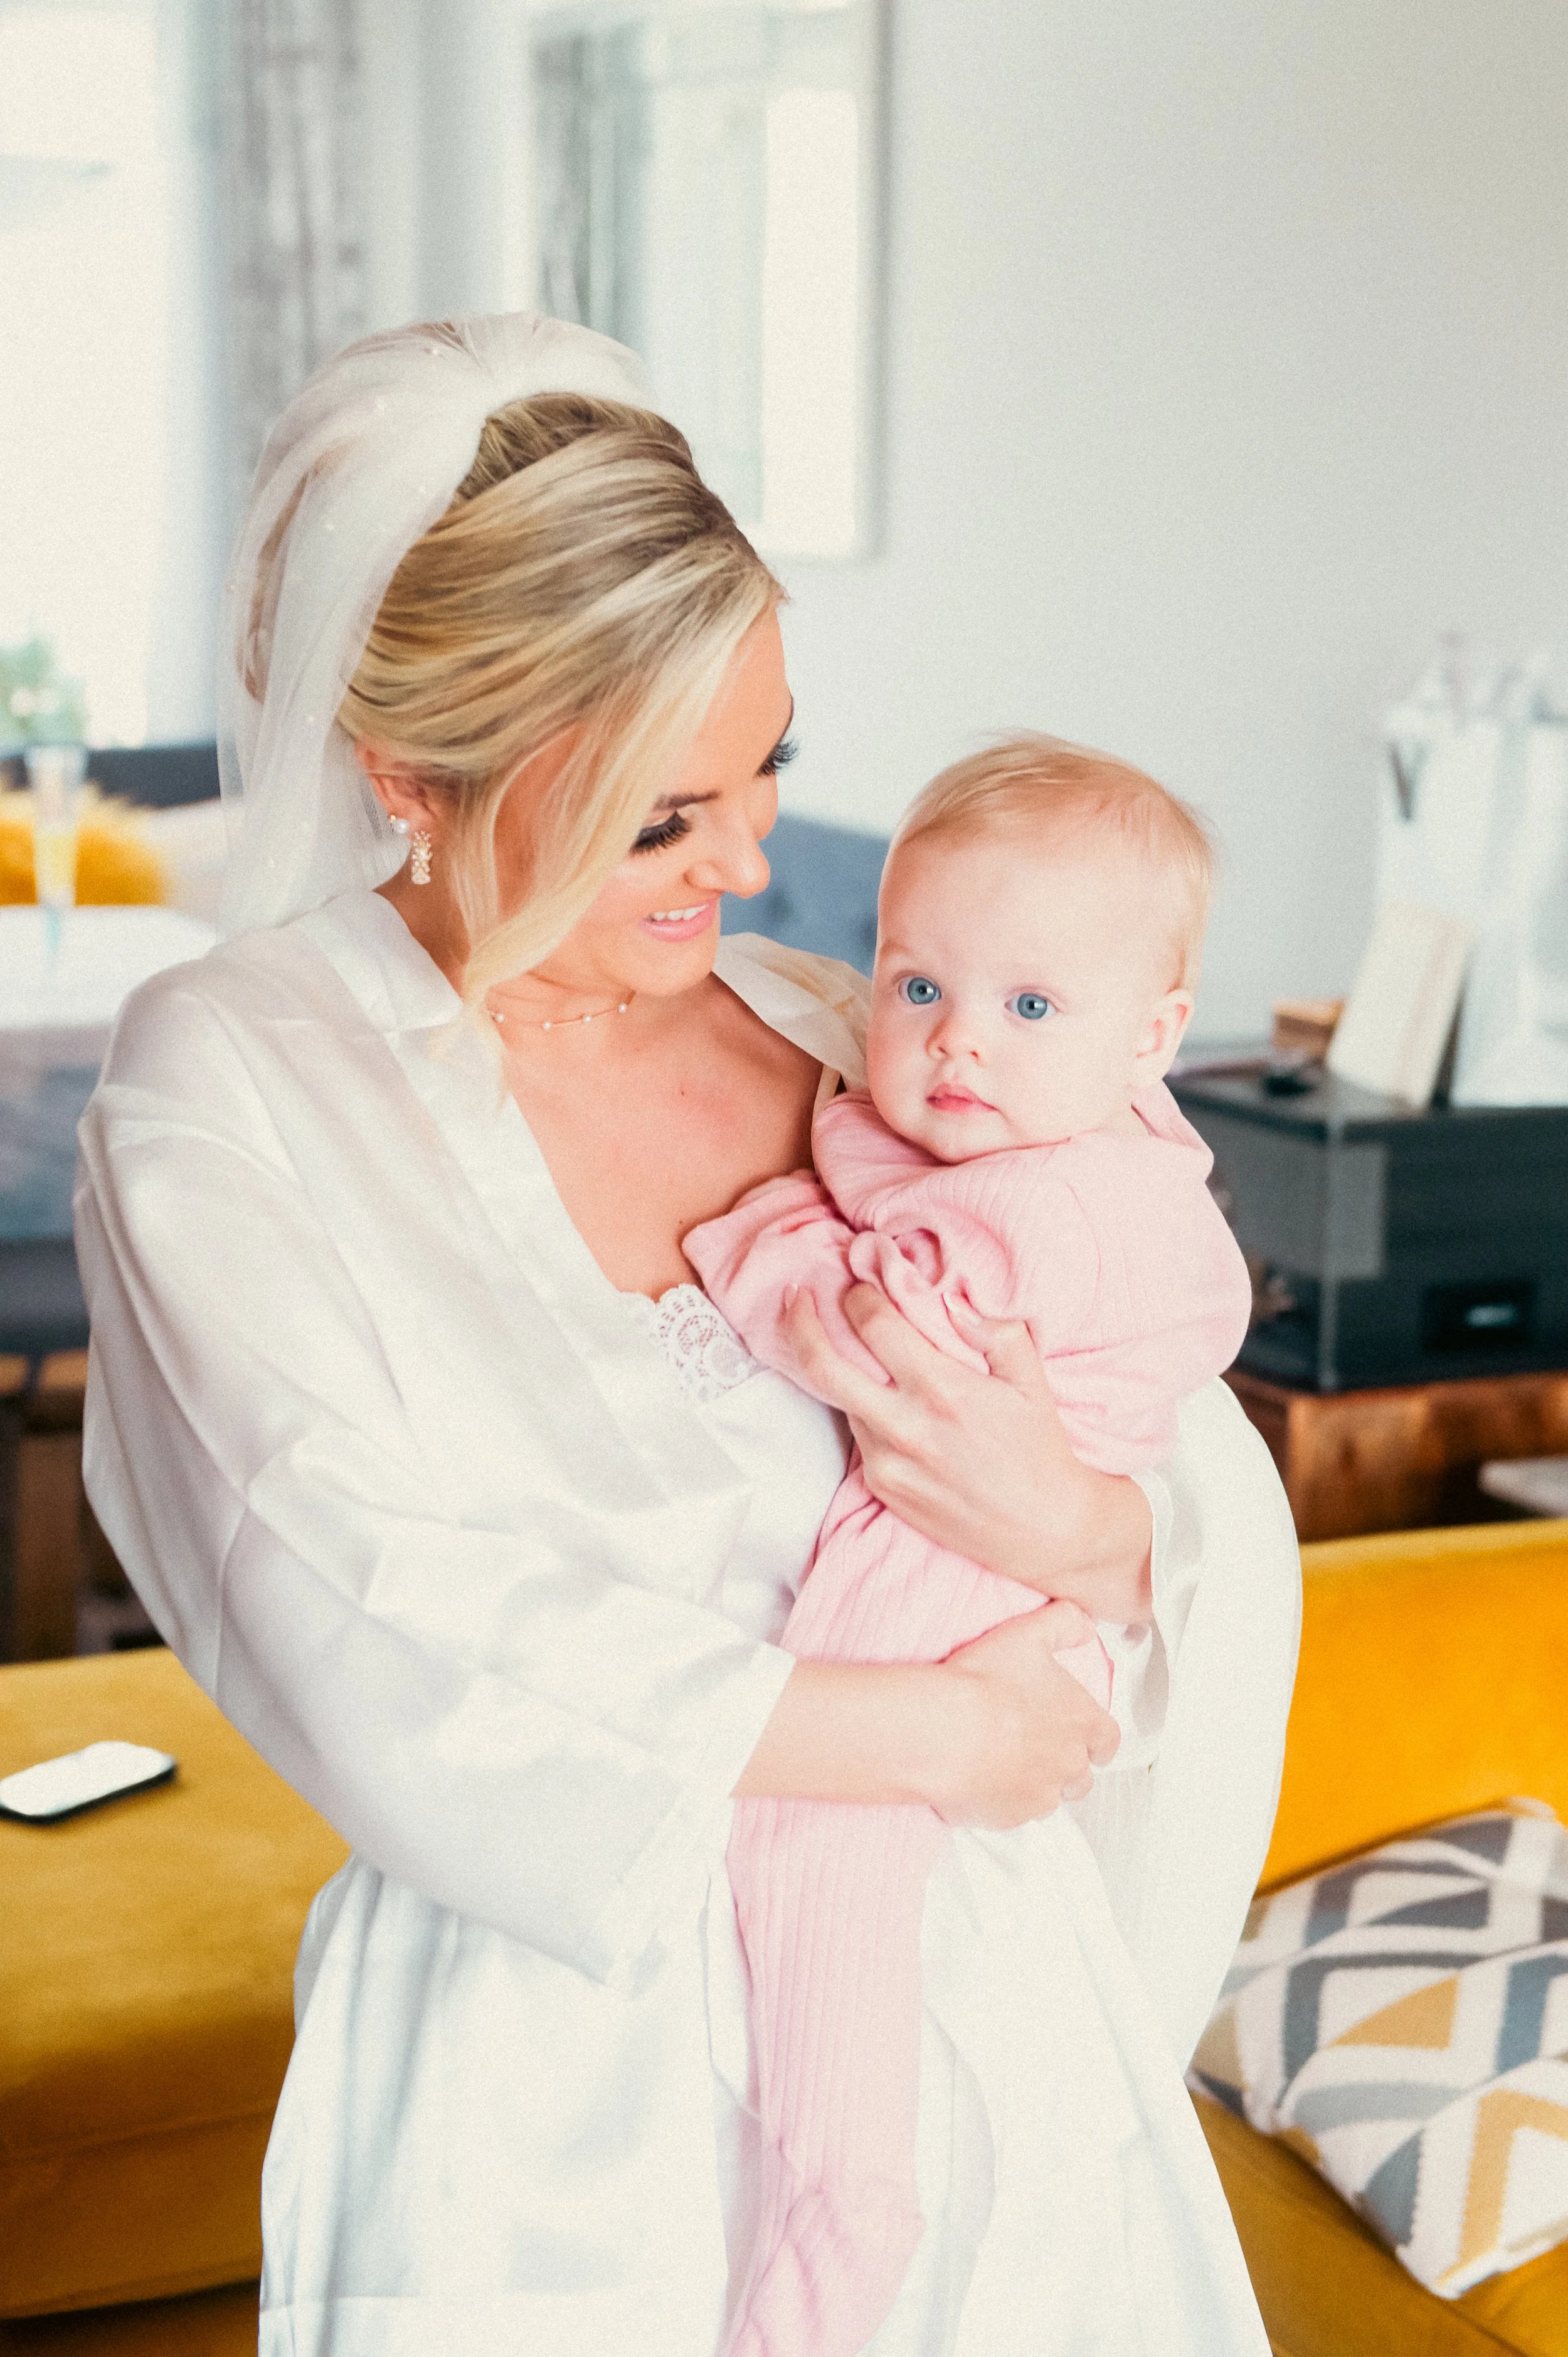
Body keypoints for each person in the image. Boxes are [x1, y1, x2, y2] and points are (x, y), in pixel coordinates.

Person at [73, 312, 1300, 2357]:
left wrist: (1082, 1526)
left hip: (990, 2036)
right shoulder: (234, 1092)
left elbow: (1160, 1422)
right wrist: (921, 1732)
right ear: (407, 774)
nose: (745, 866)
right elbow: (349, 1601)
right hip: (557, 2092)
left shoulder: (859, 1030)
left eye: (772, 770)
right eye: (661, 817)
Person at [686, 736, 1256, 2357]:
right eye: (915, 982)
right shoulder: (1083, 1150)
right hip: (984, 1580)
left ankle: (835, 2209)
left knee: (813, 1866)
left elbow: (862, 1336)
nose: (950, 1048)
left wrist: (766, 1219)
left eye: (1026, 1008)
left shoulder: (1050, 1206)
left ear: (1151, 1037)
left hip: (943, 1592)